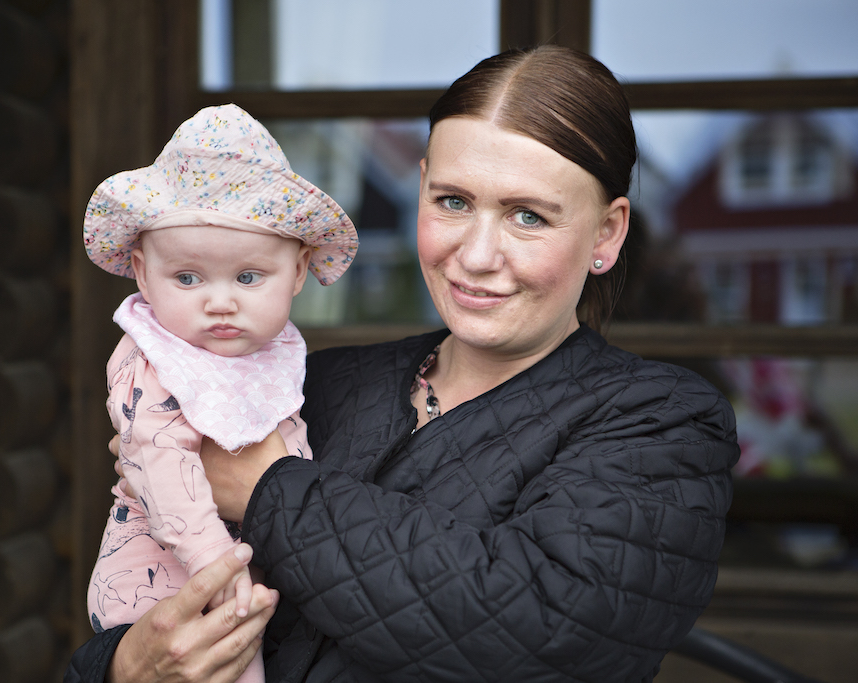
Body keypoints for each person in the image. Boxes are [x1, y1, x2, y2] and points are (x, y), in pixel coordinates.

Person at [66, 45, 739, 683]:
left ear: (607, 231)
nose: (476, 254)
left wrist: (269, 487)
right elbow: (159, 568)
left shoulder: (663, 423)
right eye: (452, 201)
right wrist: (123, 665)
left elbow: (544, 625)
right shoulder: (312, 386)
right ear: (419, 187)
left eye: (528, 216)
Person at [79, 104, 358, 683]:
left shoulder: (269, 353)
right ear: (140, 271)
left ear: (299, 272)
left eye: (249, 278)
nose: (220, 301)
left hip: (244, 573)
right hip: (163, 577)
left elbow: (289, 446)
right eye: (187, 278)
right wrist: (217, 564)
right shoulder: (151, 357)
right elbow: (159, 462)